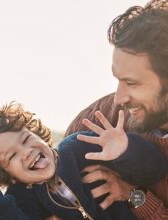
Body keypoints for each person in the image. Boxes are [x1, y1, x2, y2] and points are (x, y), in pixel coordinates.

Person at [0, 102, 168, 219]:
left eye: (26, 139)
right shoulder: (24, 195)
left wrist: (125, 149)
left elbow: (155, 168)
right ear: (10, 177)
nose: (26, 152)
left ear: (41, 137)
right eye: (12, 156)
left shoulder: (77, 147)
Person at [65, 0, 168, 219]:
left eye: (132, 83)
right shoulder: (103, 114)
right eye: (118, 79)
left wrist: (132, 193)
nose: (119, 98)